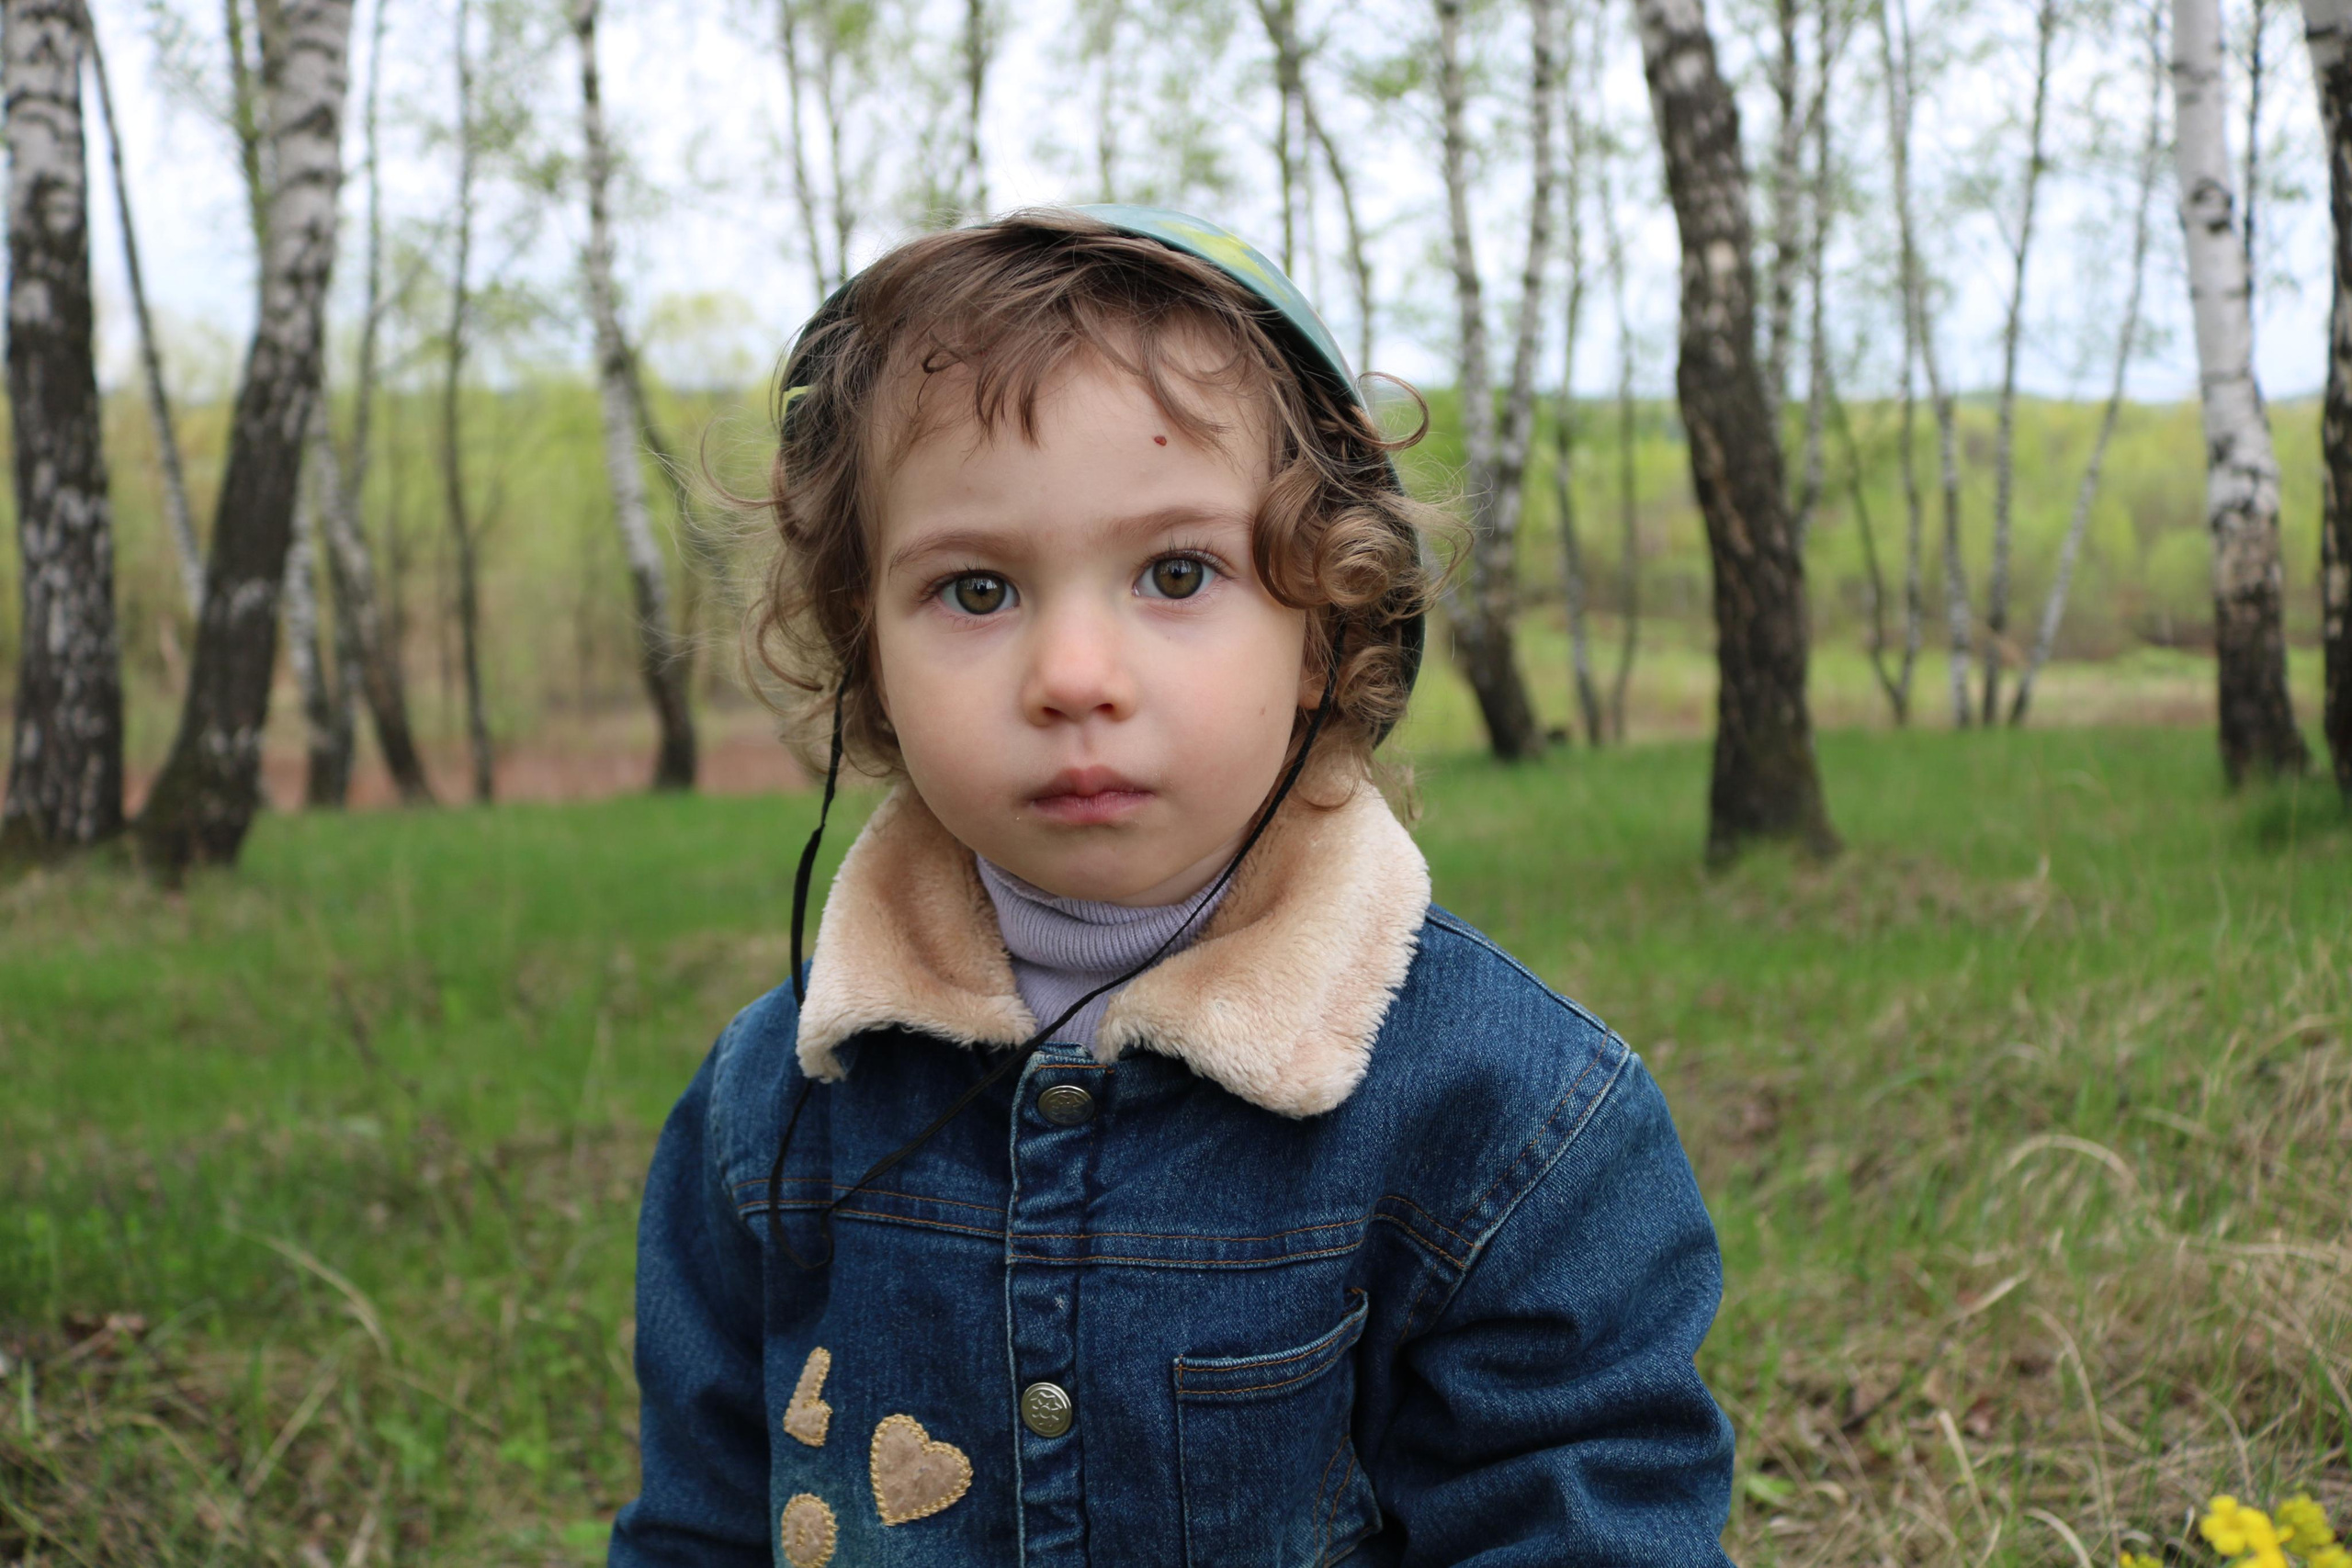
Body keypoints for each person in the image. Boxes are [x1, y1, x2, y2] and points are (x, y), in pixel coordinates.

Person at [609, 206, 1735, 1568]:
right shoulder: (772, 1115)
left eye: (1177, 572)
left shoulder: (1507, 1120)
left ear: (1323, 625)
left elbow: (1583, 1527)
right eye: (975, 590)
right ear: (870, 661)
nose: (1074, 673)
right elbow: (701, 1523)